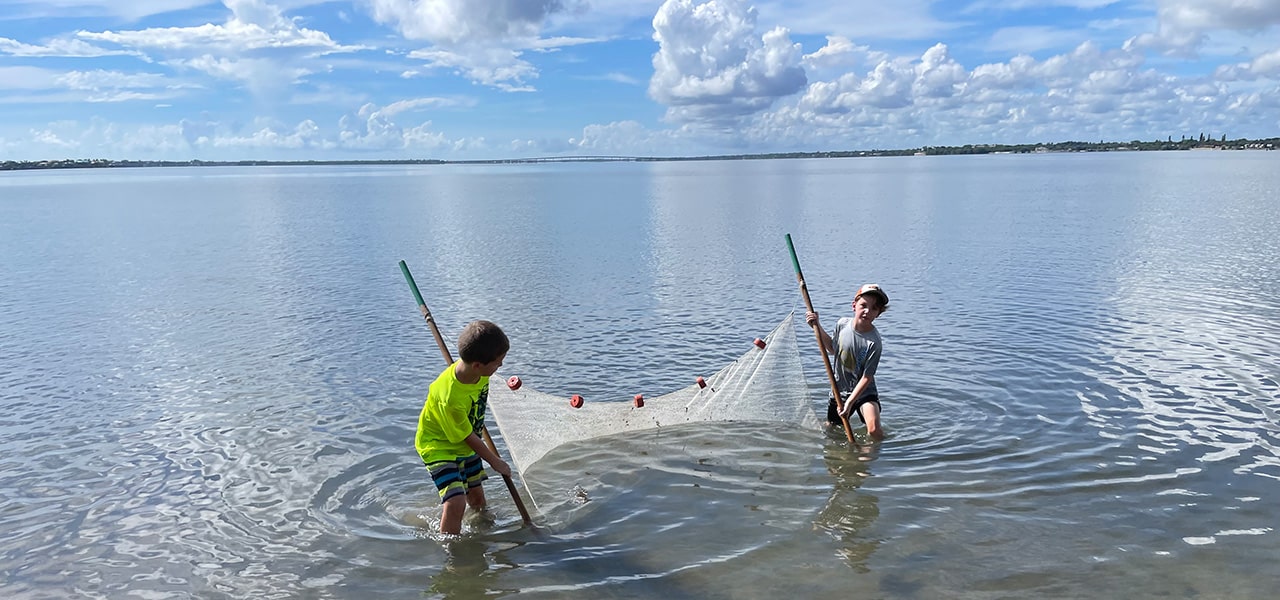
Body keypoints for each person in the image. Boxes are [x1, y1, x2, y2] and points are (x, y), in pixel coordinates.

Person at [415, 320, 513, 535]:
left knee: (477, 497)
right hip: (439, 446)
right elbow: (467, 435)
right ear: (477, 364)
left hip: (467, 442)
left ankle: (484, 532)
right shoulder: (449, 396)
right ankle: (452, 551)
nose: (501, 367)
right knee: (456, 502)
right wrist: (496, 462)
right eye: (497, 363)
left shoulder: (479, 374)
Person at [805, 284, 889, 439]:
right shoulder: (842, 324)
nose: (867, 311)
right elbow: (832, 348)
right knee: (831, 430)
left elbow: (867, 377)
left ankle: (873, 456)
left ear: (878, 314)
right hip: (840, 391)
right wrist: (816, 326)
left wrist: (850, 402)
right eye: (863, 306)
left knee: (874, 430)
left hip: (864, 392)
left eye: (874, 309)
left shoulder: (874, 342)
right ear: (854, 305)